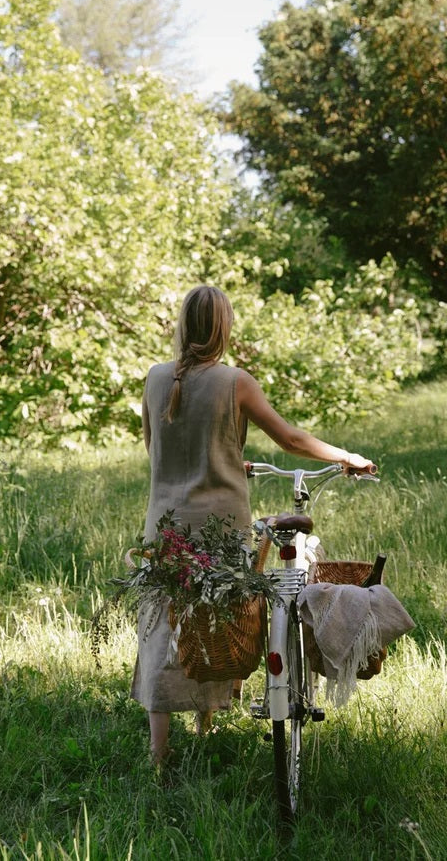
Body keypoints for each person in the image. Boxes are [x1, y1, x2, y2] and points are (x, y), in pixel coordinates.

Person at [131, 285, 375, 764]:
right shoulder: (234, 381)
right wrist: (346, 456)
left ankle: (160, 754)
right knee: (220, 620)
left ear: (183, 325)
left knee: (162, 627)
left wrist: (218, 457)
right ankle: (206, 722)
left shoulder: (156, 378)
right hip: (220, 527)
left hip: (165, 528)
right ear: (223, 327)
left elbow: (156, 448)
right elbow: (289, 438)